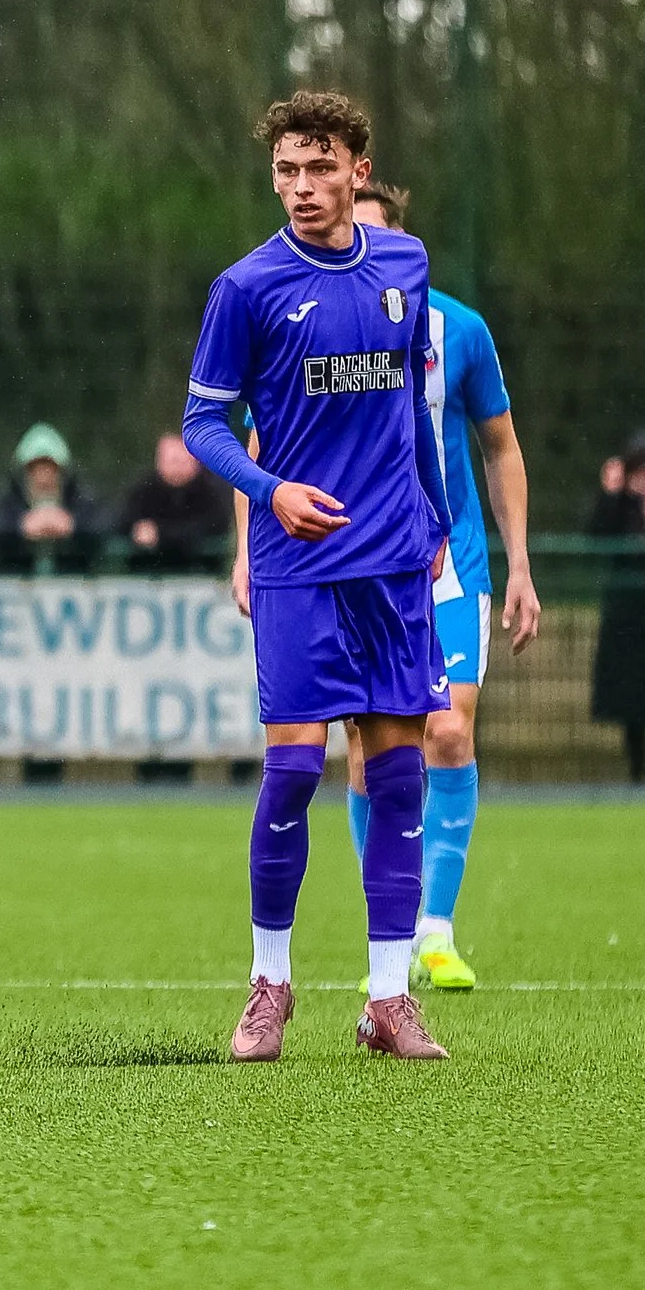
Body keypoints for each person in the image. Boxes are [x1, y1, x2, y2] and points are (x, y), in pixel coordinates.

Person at [180, 91, 454, 1063]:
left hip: (391, 558)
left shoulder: (405, 265)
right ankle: (269, 984)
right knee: (293, 768)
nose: (301, 187)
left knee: (400, 777)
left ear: (357, 171)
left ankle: (387, 1000)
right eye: (286, 171)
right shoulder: (245, 288)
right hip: (299, 563)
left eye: (319, 167)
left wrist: (438, 512)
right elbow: (201, 425)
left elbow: (415, 405)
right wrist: (268, 493)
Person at [325, 183, 540, 991]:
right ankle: (390, 930)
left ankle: (435, 930)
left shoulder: (460, 329)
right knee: (367, 748)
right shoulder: (305, 323)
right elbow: (260, 440)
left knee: (445, 732)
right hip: (351, 564)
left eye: (370, 233)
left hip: (448, 565)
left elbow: (502, 448)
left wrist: (519, 563)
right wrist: (250, 552)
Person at [591, 433, 645, 782]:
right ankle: (636, 774)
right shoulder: (620, 507)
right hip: (628, 620)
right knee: (632, 700)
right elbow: (597, 536)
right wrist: (610, 494)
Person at [0, 423, 103, 573]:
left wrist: (73, 525)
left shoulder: (80, 496)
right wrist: (20, 526)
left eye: (50, 469)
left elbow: (104, 525)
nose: (43, 478)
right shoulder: (6, 497)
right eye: (35, 469)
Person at [118, 433, 232, 573]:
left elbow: (208, 528)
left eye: (183, 460)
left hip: (200, 573)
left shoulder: (212, 492)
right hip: (147, 573)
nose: (178, 467)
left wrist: (160, 534)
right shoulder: (143, 490)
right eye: (172, 460)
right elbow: (122, 523)